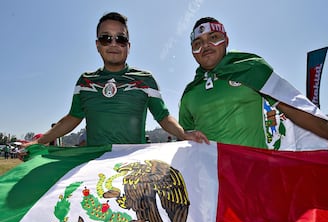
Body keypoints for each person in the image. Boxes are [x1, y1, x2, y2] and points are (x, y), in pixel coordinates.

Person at [179, 17, 328, 169]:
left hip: (255, 176)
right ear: (193, 52)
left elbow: (293, 105)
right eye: (198, 43)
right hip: (211, 186)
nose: (206, 46)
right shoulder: (189, 93)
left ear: (226, 40)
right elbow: (185, 142)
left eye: (213, 37)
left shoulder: (251, 68)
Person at [24, 12, 208, 148]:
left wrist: (184, 134)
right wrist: (39, 142)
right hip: (91, 167)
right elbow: (72, 118)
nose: (113, 44)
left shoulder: (146, 80)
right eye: (106, 38)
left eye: (120, 39)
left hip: (133, 170)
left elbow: (163, 117)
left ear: (128, 46)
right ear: (97, 45)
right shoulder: (84, 81)